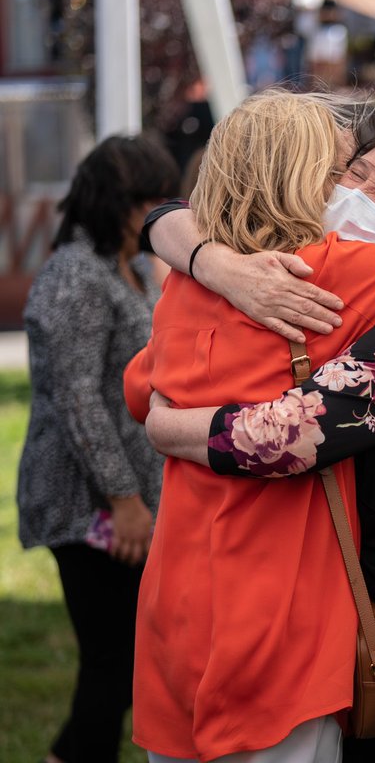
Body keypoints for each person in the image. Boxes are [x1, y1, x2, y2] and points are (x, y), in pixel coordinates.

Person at [122, 91, 375, 763]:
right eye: (351, 174)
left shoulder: (198, 287)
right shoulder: (332, 278)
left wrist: (172, 419)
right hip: (287, 608)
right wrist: (214, 260)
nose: (355, 195)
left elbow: (147, 385)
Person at [16, 135, 178, 763]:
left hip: (124, 503)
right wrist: (125, 500)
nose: (161, 212)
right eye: (151, 200)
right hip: (87, 508)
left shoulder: (129, 266)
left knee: (127, 664)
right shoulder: (74, 275)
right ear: (120, 202)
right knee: (113, 665)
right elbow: (78, 399)